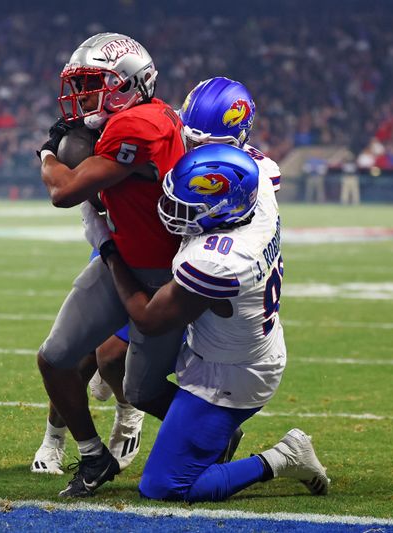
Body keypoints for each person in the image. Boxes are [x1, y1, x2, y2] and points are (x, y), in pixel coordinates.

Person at [95, 143, 329, 501]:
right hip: (227, 339)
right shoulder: (259, 192)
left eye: (186, 208)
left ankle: (284, 457)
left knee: (165, 486)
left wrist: (107, 249)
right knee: (113, 357)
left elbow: (148, 319)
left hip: (229, 375)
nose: (171, 211)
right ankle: (203, 434)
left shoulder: (218, 261)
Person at [36, 32, 186, 497]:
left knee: (140, 388)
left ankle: (210, 429)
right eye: (79, 86)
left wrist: (45, 153)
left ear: (130, 84)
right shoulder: (125, 122)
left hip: (166, 274)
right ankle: (92, 455)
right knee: (55, 358)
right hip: (119, 258)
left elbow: (64, 192)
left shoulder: (141, 123)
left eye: (92, 84)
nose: (82, 97)